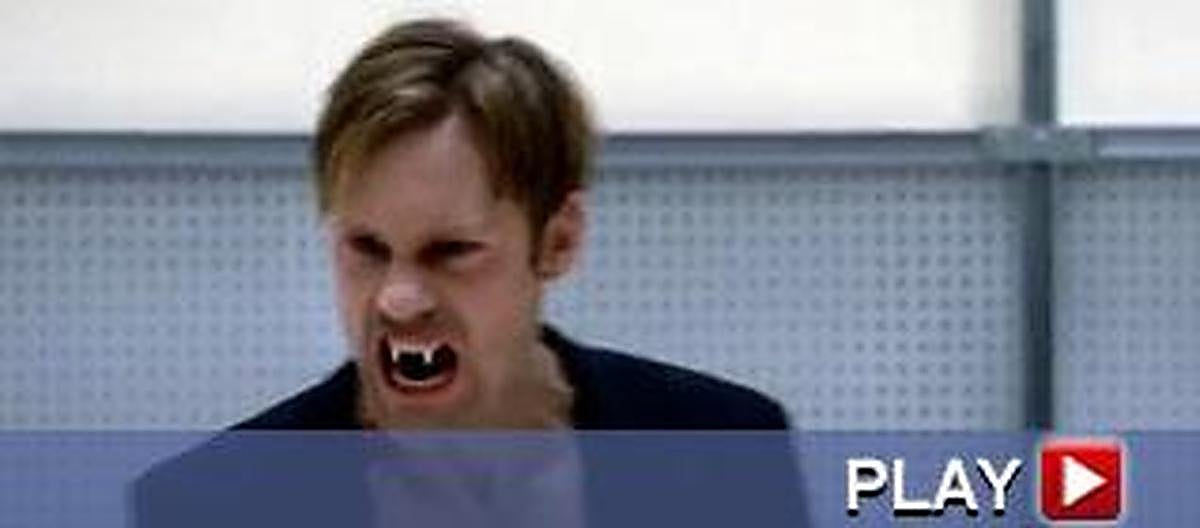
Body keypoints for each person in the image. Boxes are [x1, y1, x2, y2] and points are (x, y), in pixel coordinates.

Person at [131, 18, 807, 527]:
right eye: (366, 248)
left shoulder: (726, 453)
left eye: (450, 251)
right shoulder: (207, 504)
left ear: (559, 240)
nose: (398, 300)